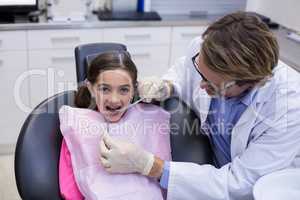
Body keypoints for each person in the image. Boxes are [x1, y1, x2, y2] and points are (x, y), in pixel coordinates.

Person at [99, 11, 300, 200]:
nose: (201, 85)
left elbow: (238, 183)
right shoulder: (205, 49)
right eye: (201, 72)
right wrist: (167, 86)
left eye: (212, 85)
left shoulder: (288, 108)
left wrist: (150, 165)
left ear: (248, 82)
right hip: (206, 161)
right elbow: (183, 71)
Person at [59, 51, 171, 200]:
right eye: (105, 89)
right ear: (91, 88)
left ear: (133, 90)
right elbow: (70, 193)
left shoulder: (150, 120)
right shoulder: (77, 126)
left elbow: (167, 182)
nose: (114, 99)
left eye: (124, 89)